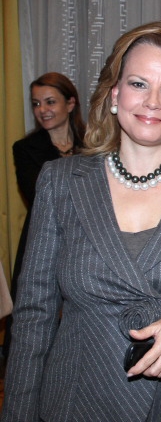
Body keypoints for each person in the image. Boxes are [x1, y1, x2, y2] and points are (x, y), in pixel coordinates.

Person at [1, 21, 161, 421]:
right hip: (78, 398)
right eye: (139, 84)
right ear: (115, 93)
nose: (152, 102)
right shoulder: (60, 181)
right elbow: (34, 314)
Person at [4, 72, 86, 359]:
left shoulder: (95, 143)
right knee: (33, 311)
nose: (42, 110)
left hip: (87, 238)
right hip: (44, 237)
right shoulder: (25, 148)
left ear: (70, 103)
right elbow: (37, 196)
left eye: (50, 102)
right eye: (36, 104)